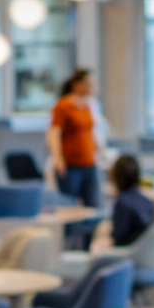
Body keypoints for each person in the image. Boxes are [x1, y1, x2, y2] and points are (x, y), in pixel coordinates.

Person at [47, 69, 102, 209]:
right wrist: (58, 159)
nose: (93, 87)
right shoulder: (64, 106)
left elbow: (92, 132)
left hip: (89, 163)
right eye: (89, 84)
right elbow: (53, 134)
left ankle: (88, 232)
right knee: (69, 206)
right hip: (70, 166)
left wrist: (101, 152)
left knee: (94, 205)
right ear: (77, 85)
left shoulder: (91, 105)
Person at [109, 154, 154, 247]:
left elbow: (118, 237)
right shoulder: (149, 202)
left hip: (125, 254)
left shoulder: (121, 202)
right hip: (144, 252)